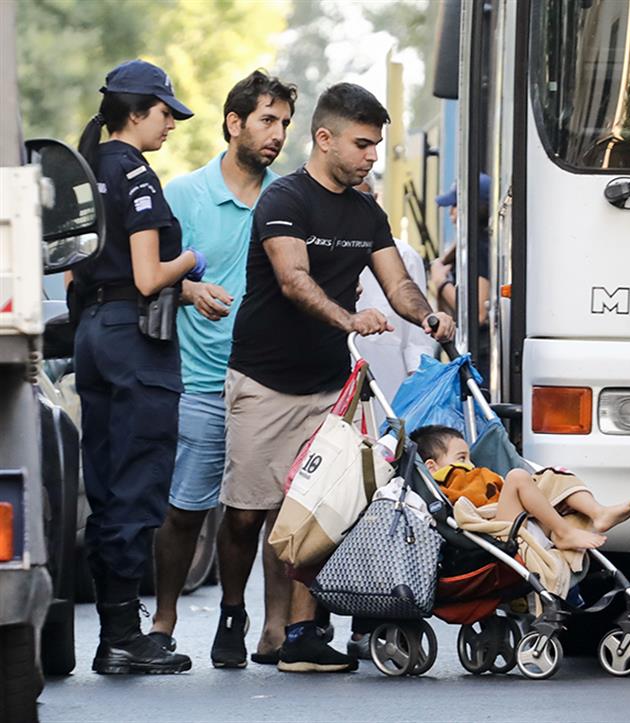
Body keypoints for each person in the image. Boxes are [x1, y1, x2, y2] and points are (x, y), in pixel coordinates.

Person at [222, 82, 455, 673]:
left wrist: (426, 314)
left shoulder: (366, 212)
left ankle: (301, 634)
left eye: (376, 145)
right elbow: (293, 279)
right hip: (265, 381)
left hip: (330, 389)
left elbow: (398, 282)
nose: (372, 155)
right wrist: (349, 317)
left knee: (319, 510)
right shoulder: (285, 200)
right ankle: (232, 611)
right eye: (361, 144)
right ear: (324, 139)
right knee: (248, 513)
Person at [147, 70, 297, 668]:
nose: (277, 134)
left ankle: (265, 626)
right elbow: (144, 278)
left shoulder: (289, 197)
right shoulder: (183, 194)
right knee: (185, 509)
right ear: (234, 123)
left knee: (264, 513)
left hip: (269, 383)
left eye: (284, 122)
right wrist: (188, 290)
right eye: (267, 119)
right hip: (201, 382)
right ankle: (162, 622)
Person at [70, 59, 202, 674]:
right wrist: (192, 261)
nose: (171, 125)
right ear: (136, 113)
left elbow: (71, 270)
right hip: (134, 341)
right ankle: (123, 638)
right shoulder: (135, 173)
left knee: (104, 484)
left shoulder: (85, 168)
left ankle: (114, 634)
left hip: (93, 335)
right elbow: (150, 276)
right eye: (165, 113)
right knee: (137, 484)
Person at [411, 425, 630, 549]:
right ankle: (564, 532)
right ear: (431, 467)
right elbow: (469, 507)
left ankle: (598, 512)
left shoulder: (474, 473)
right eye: (461, 457)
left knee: (554, 474)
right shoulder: (444, 483)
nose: (469, 463)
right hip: (498, 532)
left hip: (527, 522)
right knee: (518, 477)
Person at [353, 175, 436, 409]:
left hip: (388, 384)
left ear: (374, 199)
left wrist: (416, 391)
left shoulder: (403, 255)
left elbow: (418, 340)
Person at [429, 173, 492, 374]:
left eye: (455, 206)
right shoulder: (470, 246)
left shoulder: (479, 249)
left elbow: (477, 312)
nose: (451, 213)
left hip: (480, 355)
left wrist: (440, 282)